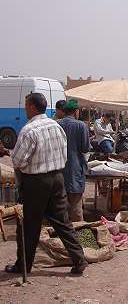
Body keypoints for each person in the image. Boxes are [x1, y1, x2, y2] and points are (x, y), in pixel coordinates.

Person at [5, 92, 87, 274]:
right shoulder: (55, 126)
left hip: (36, 181)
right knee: (62, 221)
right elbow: (64, 154)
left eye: (26, 106)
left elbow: (18, 161)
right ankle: (79, 257)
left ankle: (23, 264)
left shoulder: (29, 130)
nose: (25, 109)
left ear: (33, 107)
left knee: (29, 225)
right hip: (57, 178)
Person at [57, 99, 90, 222]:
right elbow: (85, 148)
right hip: (75, 169)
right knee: (76, 206)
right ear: (76, 112)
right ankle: (78, 233)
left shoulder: (56, 124)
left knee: (60, 206)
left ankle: (60, 232)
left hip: (57, 169)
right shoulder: (81, 125)